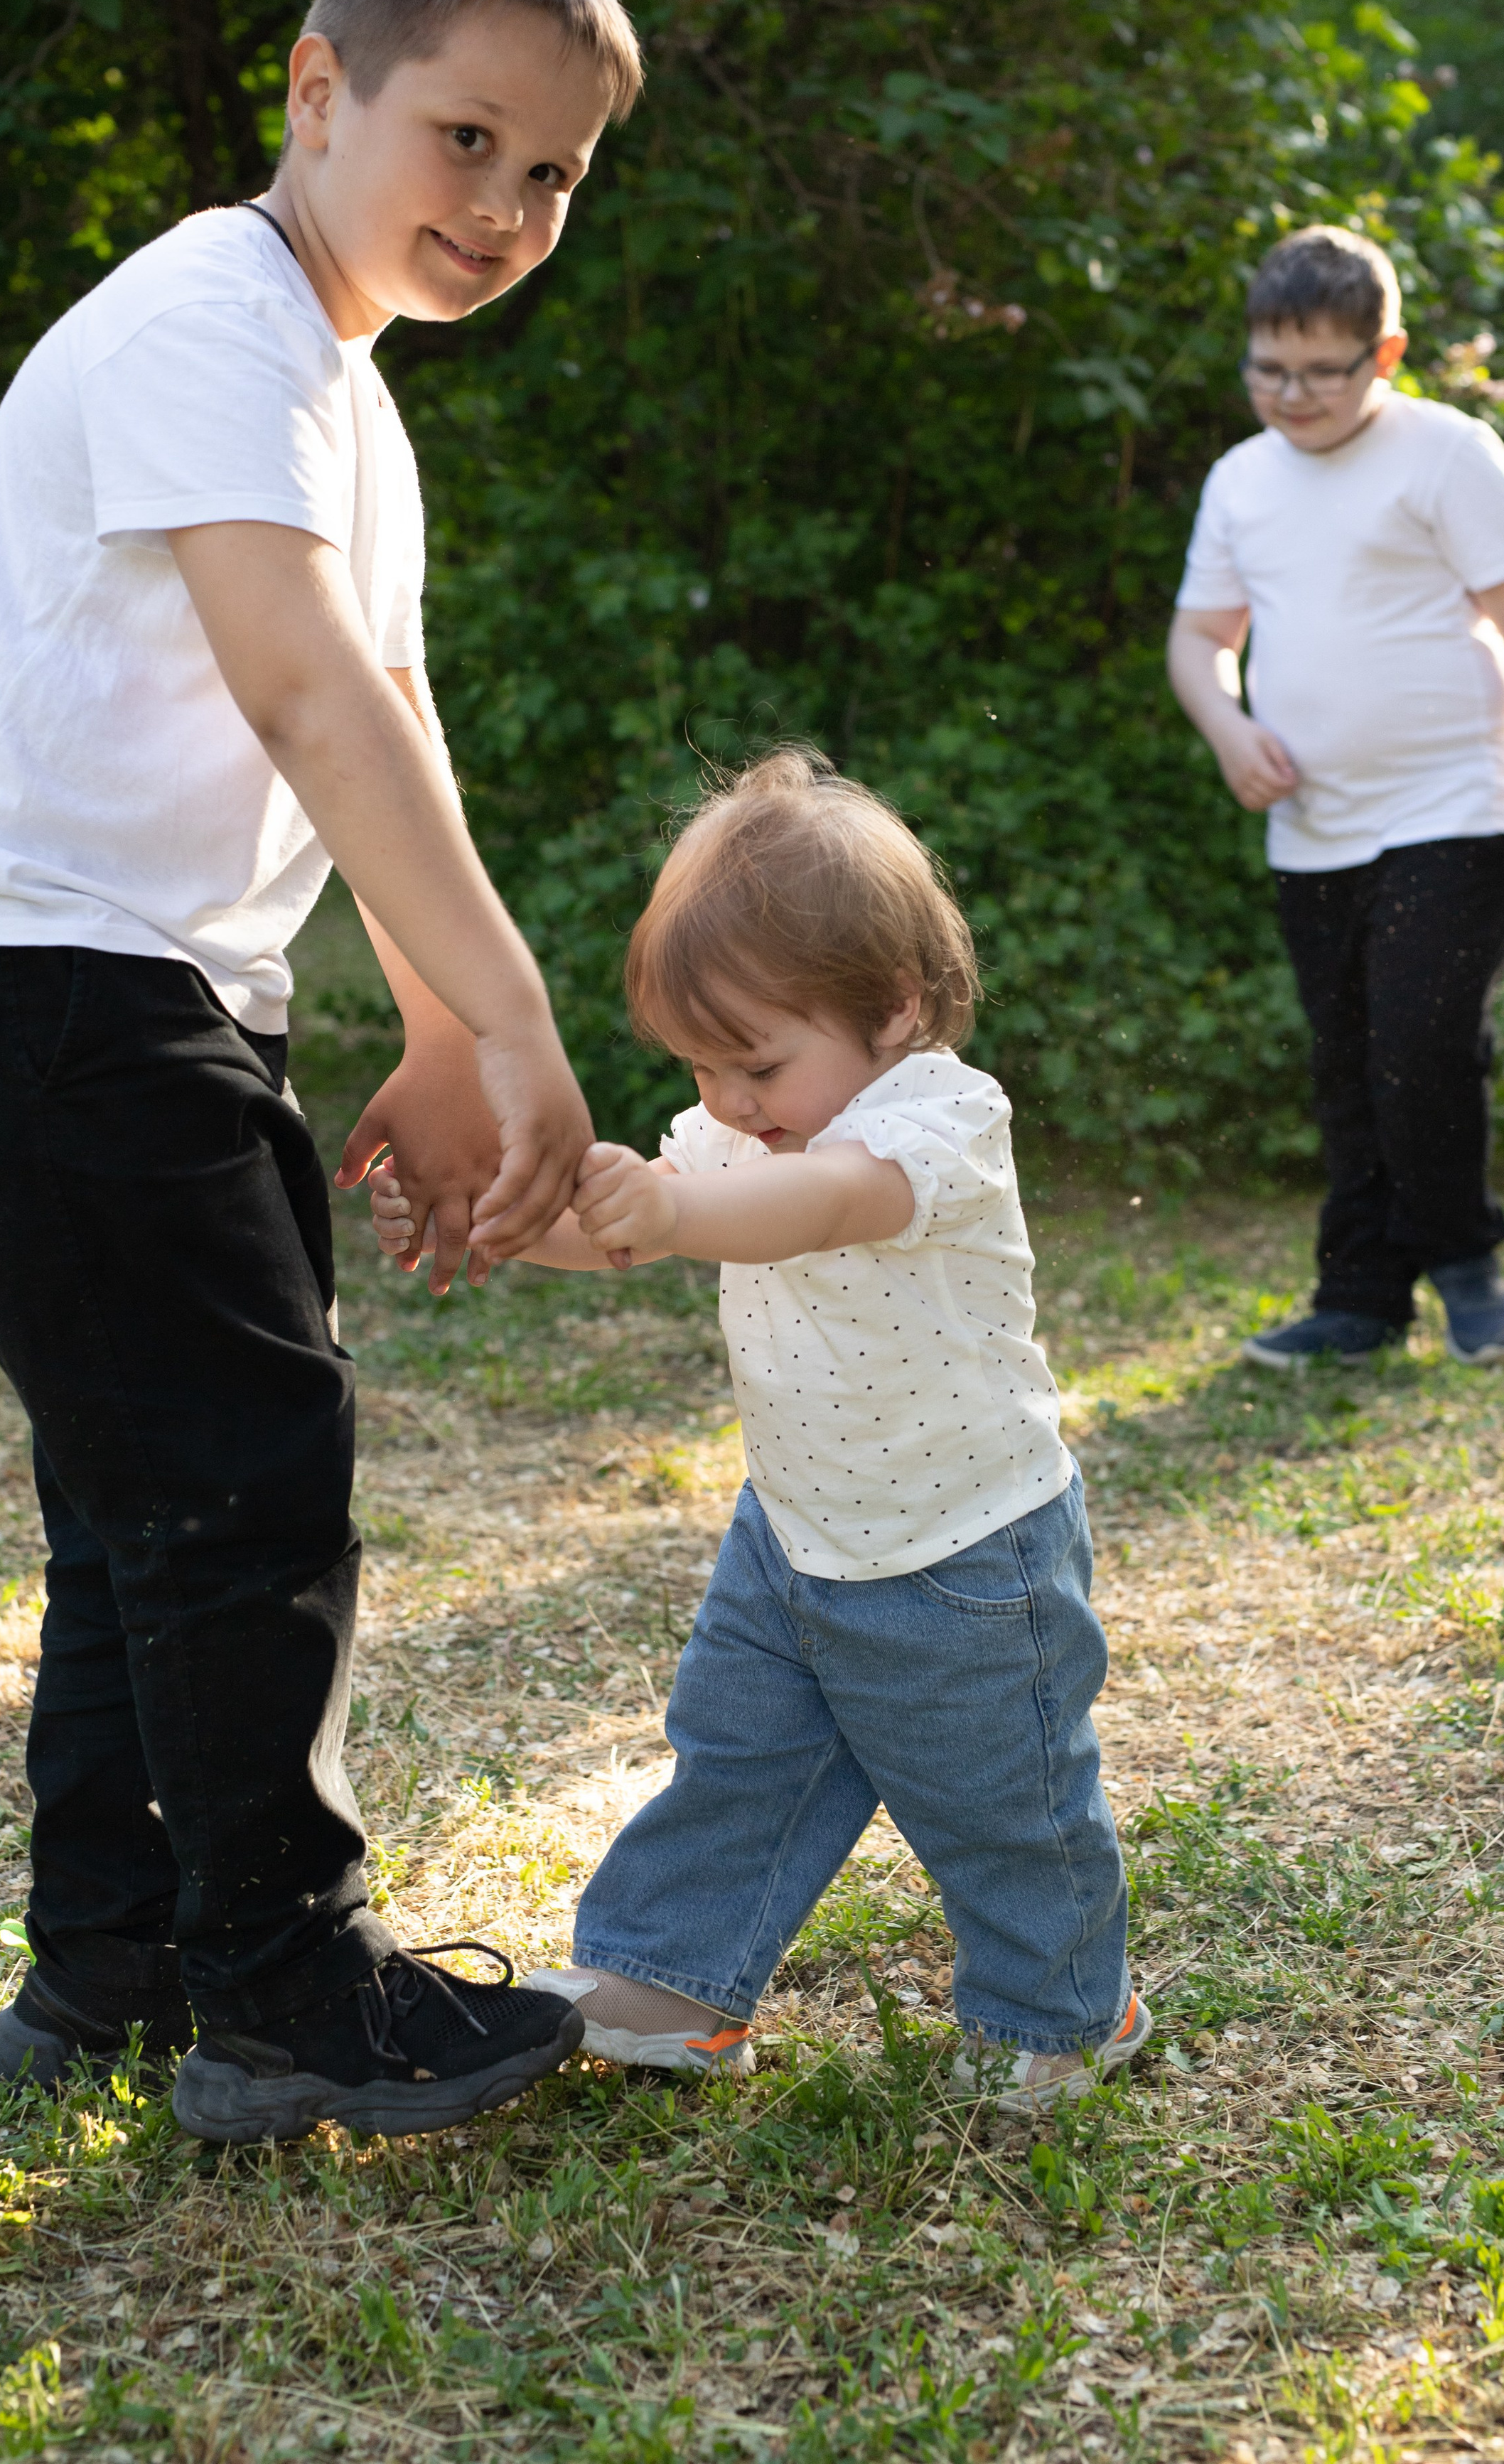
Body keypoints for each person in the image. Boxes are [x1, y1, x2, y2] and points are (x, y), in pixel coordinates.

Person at [0, 0, 645, 2143]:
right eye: (464, 139)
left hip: (127, 978)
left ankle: (98, 1985)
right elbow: (301, 695)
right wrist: (523, 1018)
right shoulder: (211, 317)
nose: (505, 201)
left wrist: (440, 1019)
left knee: (144, 1492)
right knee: (238, 1476)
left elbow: (386, 695)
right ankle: (284, 1993)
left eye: (556, 171)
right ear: (320, 88)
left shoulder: (344, 395)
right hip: (26, 972)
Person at [373, 752, 1146, 2114]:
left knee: (1003, 1801)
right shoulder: (738, 1134)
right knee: (737, 1756)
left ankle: (1067, 2012)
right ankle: (674, 1980)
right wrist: (490, 1216)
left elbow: (824, 1204)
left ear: (895, 1008)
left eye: (759, 1063)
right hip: (791, 1533)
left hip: (962, 1554)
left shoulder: (938, 1120)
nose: (728, 1101)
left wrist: (673, 1213)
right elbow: (639, 1222)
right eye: (697, 1066)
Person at [1166, 225, 1504, 1370]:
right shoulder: (1240, 480)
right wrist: (1228, 727)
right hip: (1313, 829)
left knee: (1422, 1042)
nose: (1293, 394)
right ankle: (1359, 1300)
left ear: (1388, 354)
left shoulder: (1448, 455)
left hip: (1458, 807)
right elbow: (1202, 639)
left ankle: (1464, 1262)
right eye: (1270, 368)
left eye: (1324, 370)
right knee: (1351, 1061)